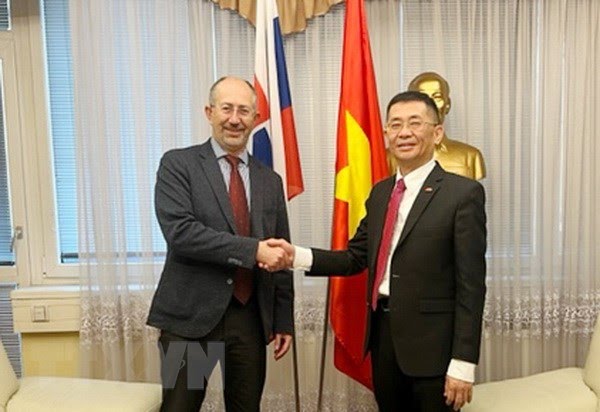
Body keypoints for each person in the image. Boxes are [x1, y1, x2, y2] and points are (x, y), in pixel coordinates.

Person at [269, 91, 486, 411]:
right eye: (395, 124)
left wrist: (463, 363)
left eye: (415, 123)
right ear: (386, 133)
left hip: (433, 351)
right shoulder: (382, 192)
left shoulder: (463, 194)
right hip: (383, 341)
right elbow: (354, 257)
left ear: (437, 132)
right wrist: (294, 256)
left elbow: (471, 286)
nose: (404, 132)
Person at [147, 76, 294, 412]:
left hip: (249, 320)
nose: (234, 119)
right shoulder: (178, 165)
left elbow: (281, 251)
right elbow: (181, 233)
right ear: (209, 112)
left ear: (256, 118)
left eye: (244, 111)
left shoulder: (270, 181)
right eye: (226, 109)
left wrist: (283, 319)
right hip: (191, 319)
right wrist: (252, 250)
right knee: (181, 407)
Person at [387, 72, 486, 181]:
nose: (431, 104)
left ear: (448, 104)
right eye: (423, 98)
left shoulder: (470, 156)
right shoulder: (386, 158)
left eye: (437, 97)